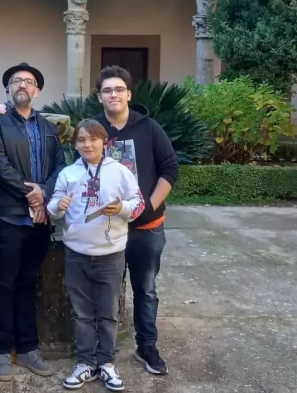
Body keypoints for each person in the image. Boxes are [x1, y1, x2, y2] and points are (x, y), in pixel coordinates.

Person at [0, 62, 67, 382]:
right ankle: (2, 351)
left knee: (30, 282)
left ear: (37, 91)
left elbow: (61, 167)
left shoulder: (47, 126)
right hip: (8, 217)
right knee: (4, 283)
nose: (22, 86)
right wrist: (31, 194)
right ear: (8, 89)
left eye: (28, 82)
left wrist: (43, 192)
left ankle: (29, 348)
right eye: (16, 81)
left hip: (40, 219)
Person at [47, 119, 145, 391]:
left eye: (93, 139)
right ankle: (86, 363)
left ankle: (107, 362)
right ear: (75, 144)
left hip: (110, 255)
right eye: (81, 140)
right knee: (81, 313)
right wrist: (58, 205)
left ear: (105, 142)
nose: (87, 145)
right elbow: (53, 209)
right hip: (76, 253)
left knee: (109, 312)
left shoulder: (120, 171)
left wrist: (122, 207)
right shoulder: (68, 174)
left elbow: (139, 204)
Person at [94, 65, 179, 375]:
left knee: (146, 289)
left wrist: (148, 207)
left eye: (119, 89)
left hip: (146, 228)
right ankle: (102, 352)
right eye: (107, 90)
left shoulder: (149, 128)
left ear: (129, 94)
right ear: (99, 96)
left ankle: (147, 346)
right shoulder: (93, 132)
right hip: (106, 229)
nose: (113, 94)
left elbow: (170, 170)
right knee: (104, 292)